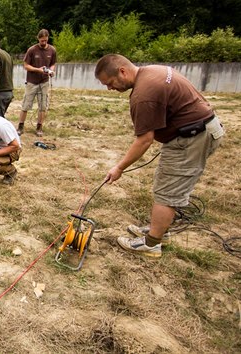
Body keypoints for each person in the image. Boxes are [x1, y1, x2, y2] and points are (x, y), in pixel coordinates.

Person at [95, 54, 225, 258]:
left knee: (167, 192)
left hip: (192, 138)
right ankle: (159, 230)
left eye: (110, 83)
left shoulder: (143, 94)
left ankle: (152, 243)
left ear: (122, 71)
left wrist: (119, 168)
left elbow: (144, 140)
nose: (110, 89)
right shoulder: (154, 71)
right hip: (199, 130)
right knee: (166, 184)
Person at [17, 29, 57, 137]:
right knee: (26, 105)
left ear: (48, 38)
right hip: (32, 82)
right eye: (41, 41)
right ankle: (20, 126)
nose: (43, 43)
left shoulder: (52, 50)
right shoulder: (32, 50)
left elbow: (53, 63)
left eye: (45, 40)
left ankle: (39, 127)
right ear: (38, 39)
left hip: (44, 82)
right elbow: (26, 65)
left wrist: (51, 70)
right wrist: (37, 69)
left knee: (43, 106)